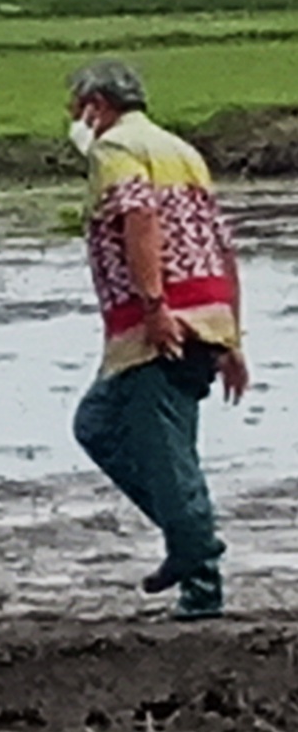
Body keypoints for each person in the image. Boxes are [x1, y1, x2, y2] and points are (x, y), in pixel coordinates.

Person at [66, 58, 248, 620]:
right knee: (122, 432)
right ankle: (191, 553)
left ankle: (197, 558)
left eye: (79, 112)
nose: (79, 124)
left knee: (153, 448)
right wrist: (232, 336)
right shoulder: (180, 151)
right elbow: (224, 245)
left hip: (159, 326)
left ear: (97, 106)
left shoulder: (114, 149)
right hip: (205, 313)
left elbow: (139, 219)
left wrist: (154, 306)